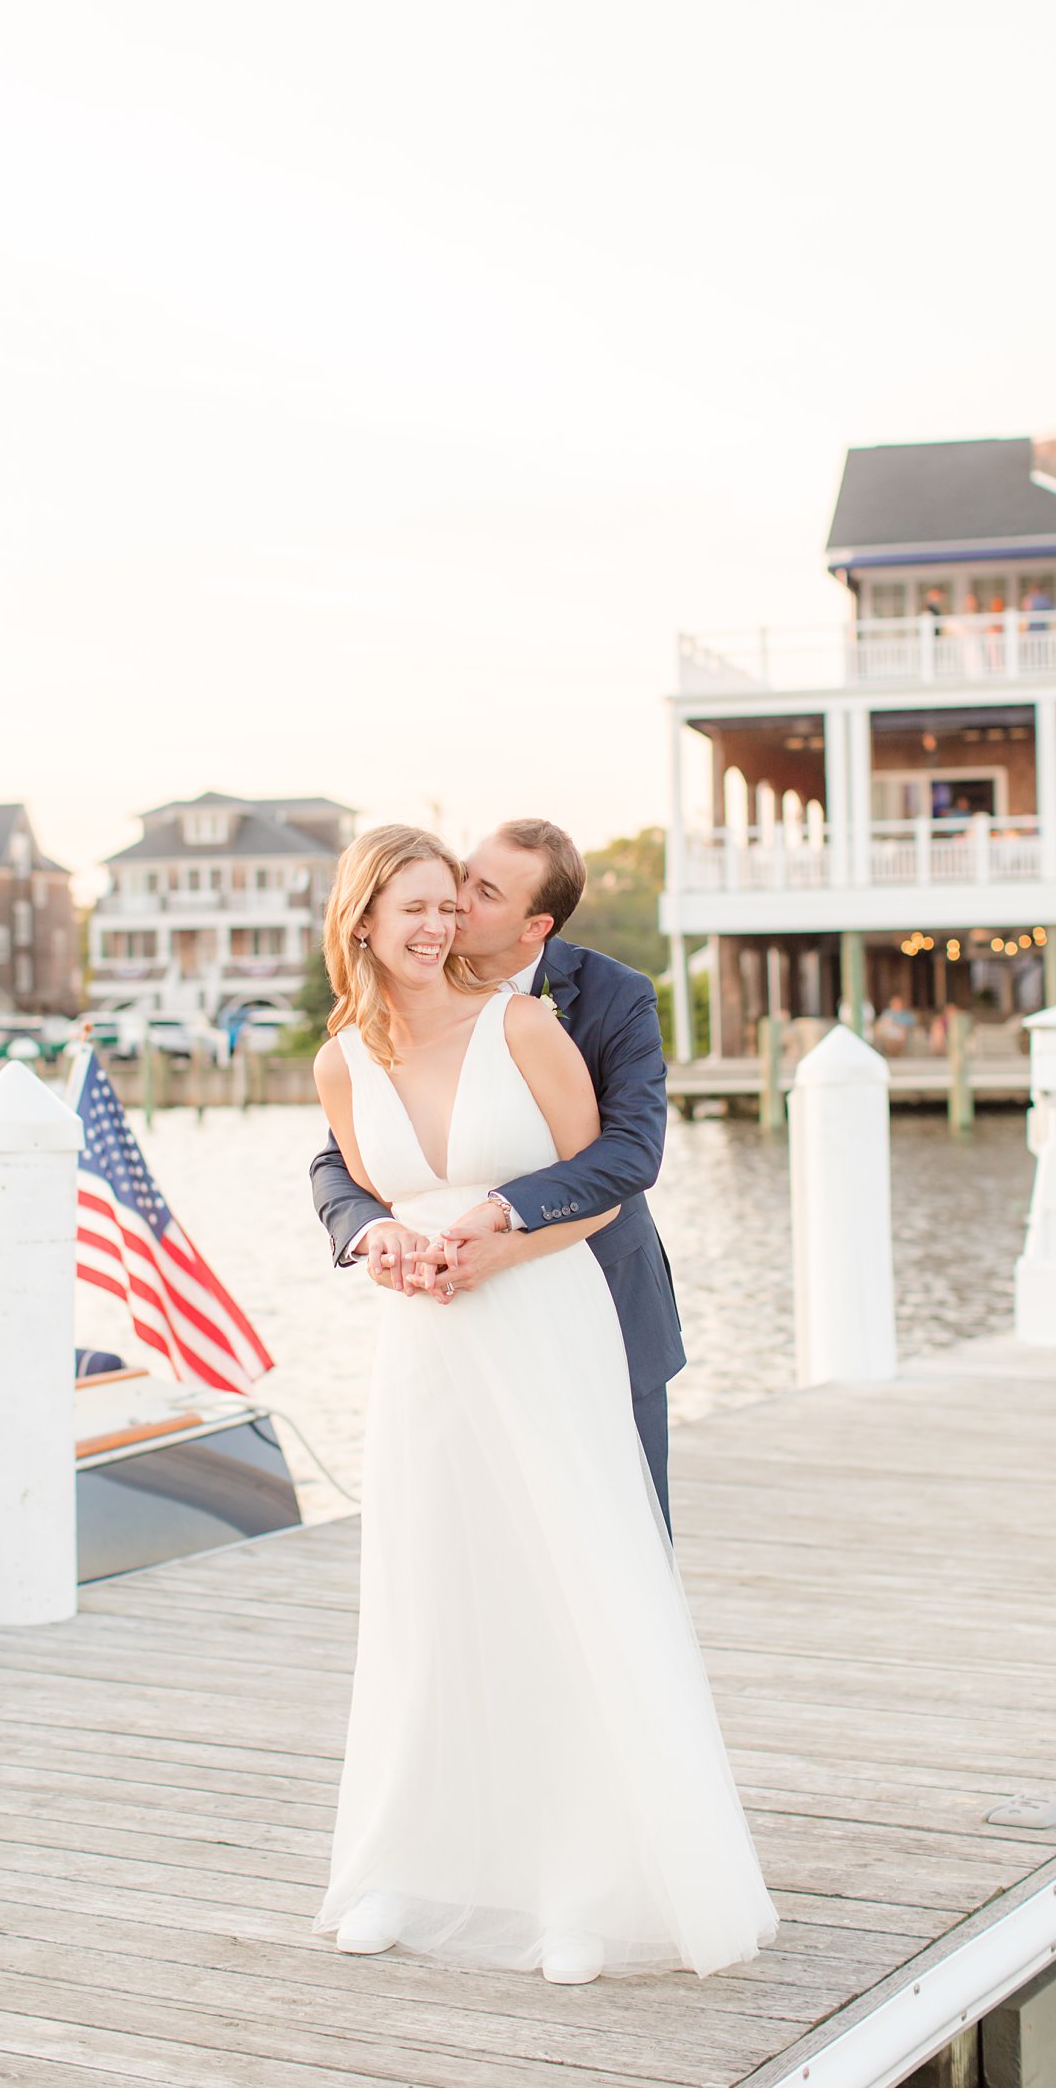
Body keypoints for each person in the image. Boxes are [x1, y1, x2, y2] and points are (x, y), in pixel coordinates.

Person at [308, 824, 779, 1985]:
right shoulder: (337, 1058)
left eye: (456, 901)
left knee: (577, 1583)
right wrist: (379, 1242)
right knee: (429, 1594)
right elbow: (341, 1175)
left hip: (547, 1321)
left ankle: (588, 1887)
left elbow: (612, 1179)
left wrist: (491, 1247)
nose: (440, 920)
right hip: (422, 1347)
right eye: (417, 903)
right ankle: (405, 1865)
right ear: (360, 918)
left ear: (531, 927)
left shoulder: (542, 1020)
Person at [311, 817, 684, 1526]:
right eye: (457, 879)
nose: (452, 901)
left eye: (477, 892)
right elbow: (339, 1157)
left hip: (595, 1291)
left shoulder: (609, 997)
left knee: (617, 1536)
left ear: (534, 925)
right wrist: (372, 1228)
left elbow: (631, 1153)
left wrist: (503, 1219)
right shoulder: (370, 1034)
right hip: (446, 1318)